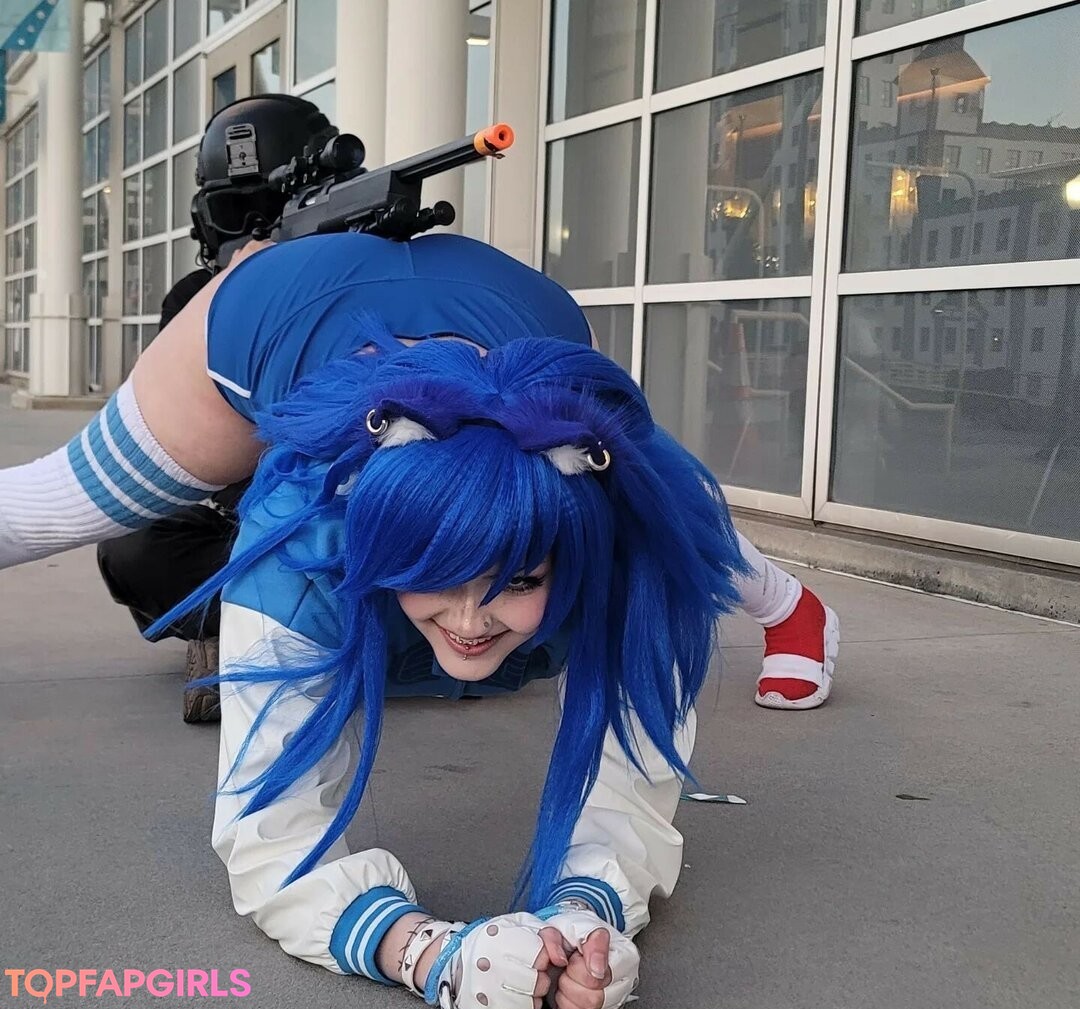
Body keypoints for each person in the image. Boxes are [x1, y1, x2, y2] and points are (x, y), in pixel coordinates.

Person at [136, 240, 749, 1005]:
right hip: (275, 309)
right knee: (136, 554)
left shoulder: (637, 557)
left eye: (517, 577)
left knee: (704, 559)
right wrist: (426, 952)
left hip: (525, 307)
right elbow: (268, 834)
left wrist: (586, 919)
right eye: (434, 574)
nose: (468, 619)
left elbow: (633, 790)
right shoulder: (300, 547)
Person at [0, 242, 838, 714]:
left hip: (510, 311)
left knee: (652, 503)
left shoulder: (557, 394)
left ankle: (792, 605)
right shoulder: (285, 435)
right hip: (269, 318)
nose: (471, 616)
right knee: (49, 509)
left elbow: (665, 515)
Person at [94, 94, 342, 722]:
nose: (254, 235)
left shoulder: (358, 280)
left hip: (352, 505)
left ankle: (281, 627)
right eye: (236, 213)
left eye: (271, 214)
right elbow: (170, 438)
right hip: (245, 512)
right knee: (133, 544)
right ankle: (246, 623)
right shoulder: (194, 299)